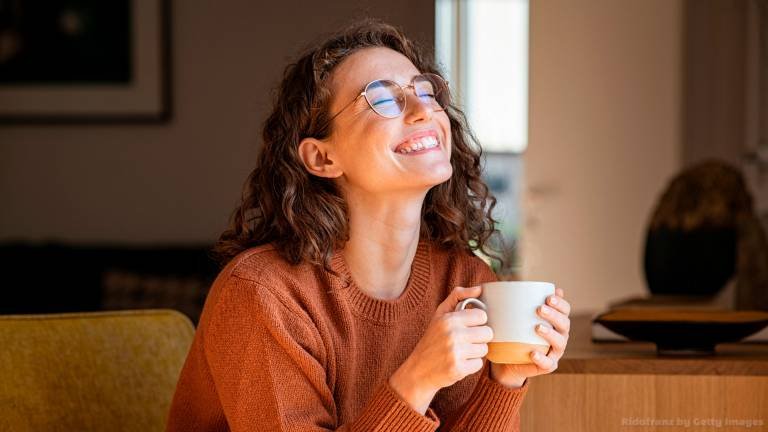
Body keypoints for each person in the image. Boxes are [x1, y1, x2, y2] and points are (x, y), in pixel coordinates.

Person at [166, 20, 571, 432]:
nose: (423, 111)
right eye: (381, 98)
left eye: (425, 90)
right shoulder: (264, 295)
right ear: (322, 159)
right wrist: (416, 381)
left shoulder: (464, 281)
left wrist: (505, 379)